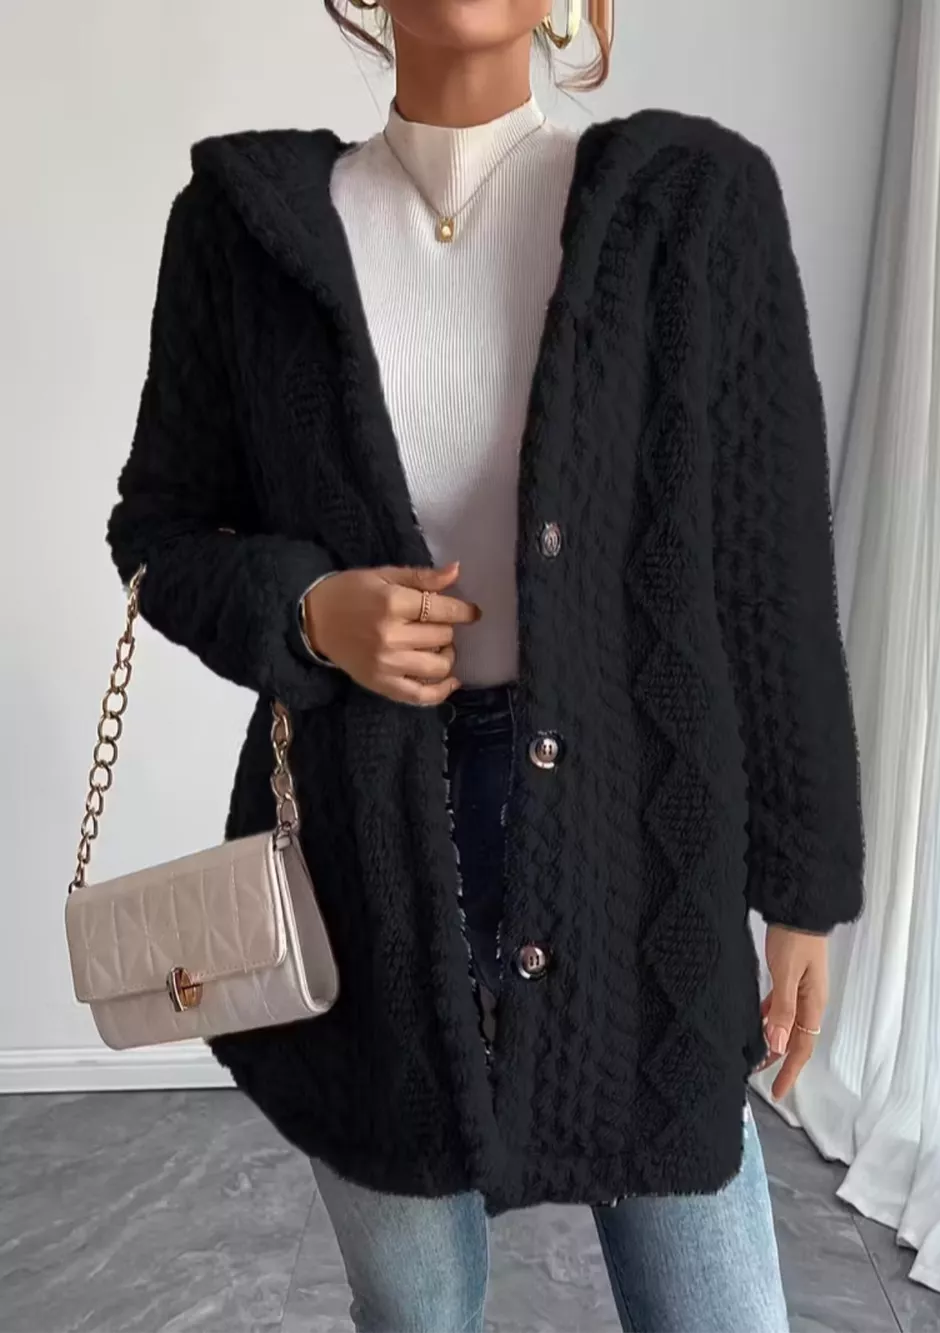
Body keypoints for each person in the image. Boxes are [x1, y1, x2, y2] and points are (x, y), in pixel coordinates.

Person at [107, 1, 864, 1328]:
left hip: (641, 855)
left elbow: (771, 570)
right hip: (364, 870)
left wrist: (803, 891)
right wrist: (310, 611)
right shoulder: (240, 230)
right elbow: (158, 534)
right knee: (416, 1317)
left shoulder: (692, 208)